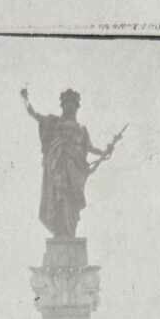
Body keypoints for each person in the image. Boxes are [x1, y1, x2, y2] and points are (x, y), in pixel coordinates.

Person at [21, 88, 114, 238]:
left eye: (72, 104)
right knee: (59, 197)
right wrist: (25, 99)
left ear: (77, 107)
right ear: (62, 106)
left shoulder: (81, 130)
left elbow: (90, 147)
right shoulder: (53, 122)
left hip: (76, 170)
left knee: (72, 201)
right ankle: (60, 233)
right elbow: (34, 114)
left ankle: (69, 234)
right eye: (66, 104)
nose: (69, 106)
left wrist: (105, 151)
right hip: (58, 167)